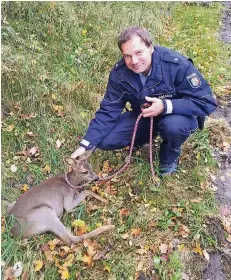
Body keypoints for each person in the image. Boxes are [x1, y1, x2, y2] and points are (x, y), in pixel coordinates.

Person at [71, 26, 217, 175]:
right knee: (105, 140)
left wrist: (165, 106)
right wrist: (86, 144)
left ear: (151, 47)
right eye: (127, 55)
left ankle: (168, 158)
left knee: (173, 126)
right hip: (145, 115)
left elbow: (206, 102)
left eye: (139, 52)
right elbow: (109, 110)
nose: (134, 61)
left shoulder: (177, 65)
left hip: (177, 115)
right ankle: (143, 137)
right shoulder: (119, 74)